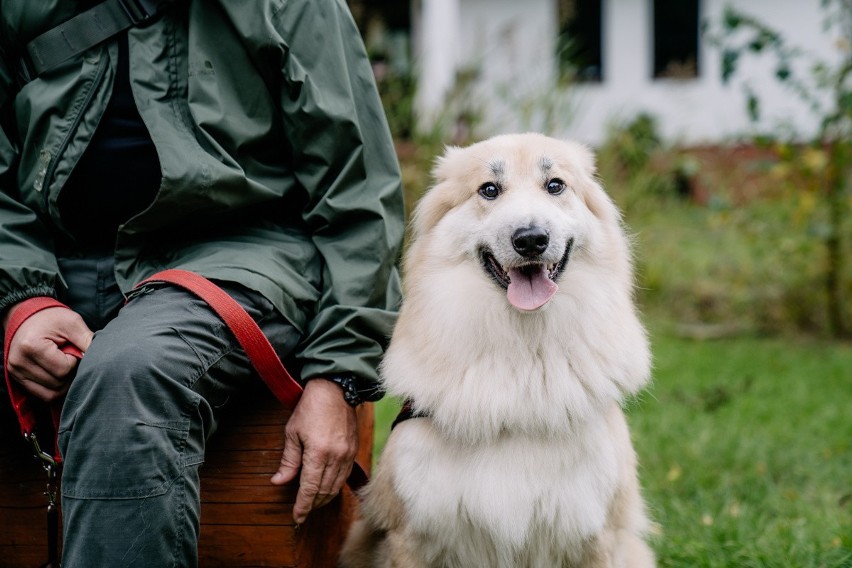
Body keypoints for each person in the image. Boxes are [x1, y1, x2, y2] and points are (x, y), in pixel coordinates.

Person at [0, 0, 404, 565]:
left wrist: (337, 375)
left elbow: (358, 193)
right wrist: (21, 298)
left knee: (130, 373)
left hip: (235, 257)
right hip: (54, 255)